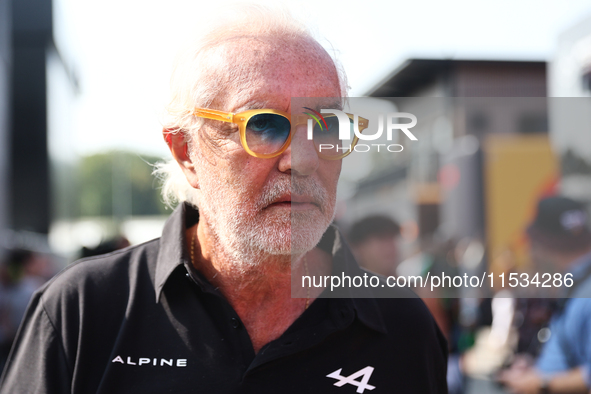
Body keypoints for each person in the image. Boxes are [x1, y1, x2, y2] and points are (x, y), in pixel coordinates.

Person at [0, 6, 447, 393]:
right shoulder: (82, 310)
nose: (303, 159)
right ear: (185, 152)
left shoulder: (403, 327)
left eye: (326, 126)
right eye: (264, 125)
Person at [498, 196, 591, 394]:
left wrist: (541, 384)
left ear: (544, 245)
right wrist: (537, 369)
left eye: (532, 245)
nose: (531, 255)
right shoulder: (576, 286)